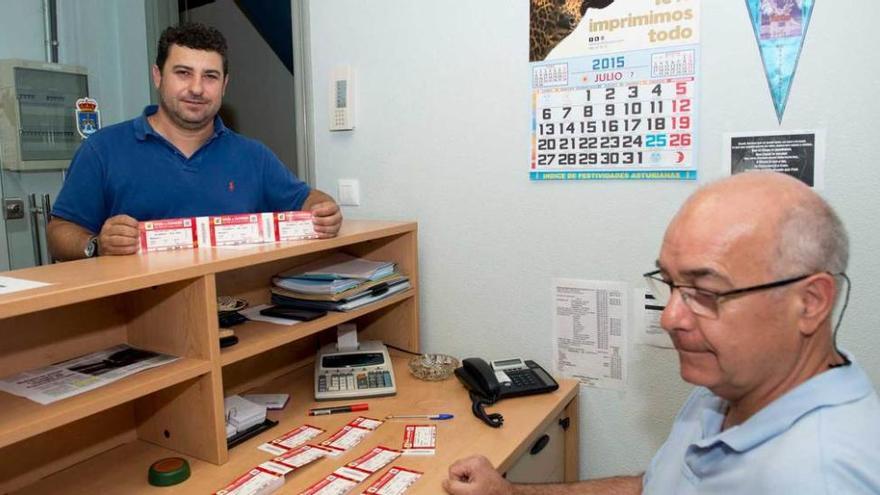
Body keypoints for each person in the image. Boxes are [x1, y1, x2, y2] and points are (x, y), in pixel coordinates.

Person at [444, 172, 880, 494]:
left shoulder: (821, 477)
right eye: (671, 284)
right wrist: (512, 493)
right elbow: (655, 487)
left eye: (705, 291)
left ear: (811, 302)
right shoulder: (733, 384)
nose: (670, 317)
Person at [48, 22, 341, 261]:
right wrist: (96, 244)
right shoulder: (103, 150)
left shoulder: (253, 156)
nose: (197, 88)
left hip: (234, 310)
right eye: (183, 73)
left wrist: (323, 209)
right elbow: (59, 232)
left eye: (210, 76)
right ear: (157, 76)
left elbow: (307, 200)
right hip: (135, 317)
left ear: (224, 85)